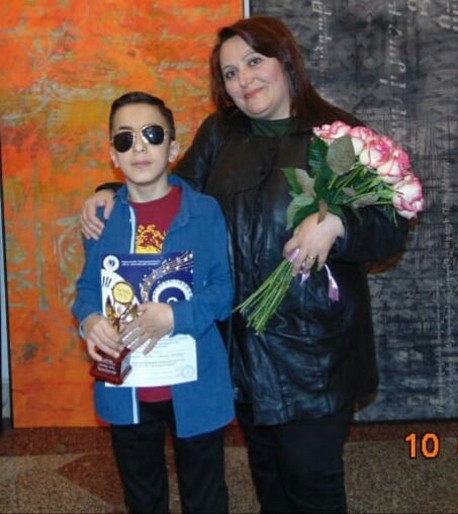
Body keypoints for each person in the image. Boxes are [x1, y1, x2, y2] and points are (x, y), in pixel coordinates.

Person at [81, 17, 409, 514]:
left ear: (286, 61)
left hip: (313, 353)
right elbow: (171, 187)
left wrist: (338, 224)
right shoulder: (221, 133)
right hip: (244, 350)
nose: (244, 80)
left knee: (310, 477)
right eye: (231, 73)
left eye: (254, 62)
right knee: (269, 473)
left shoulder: (338, 134)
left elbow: (390, 224)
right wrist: (111, 192)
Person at [72, 91, 234, 513]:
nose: (139, 147)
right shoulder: (102, 218)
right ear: (113, 155)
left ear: (173, 148)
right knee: (142, 496)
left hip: (194, 383)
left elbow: (222, 291)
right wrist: (89, 321)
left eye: (152, 134)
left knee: (205, 495)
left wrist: (175, 316)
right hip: (127, 386)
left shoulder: (205, 212)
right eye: (125, 139)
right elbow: (87, 289)